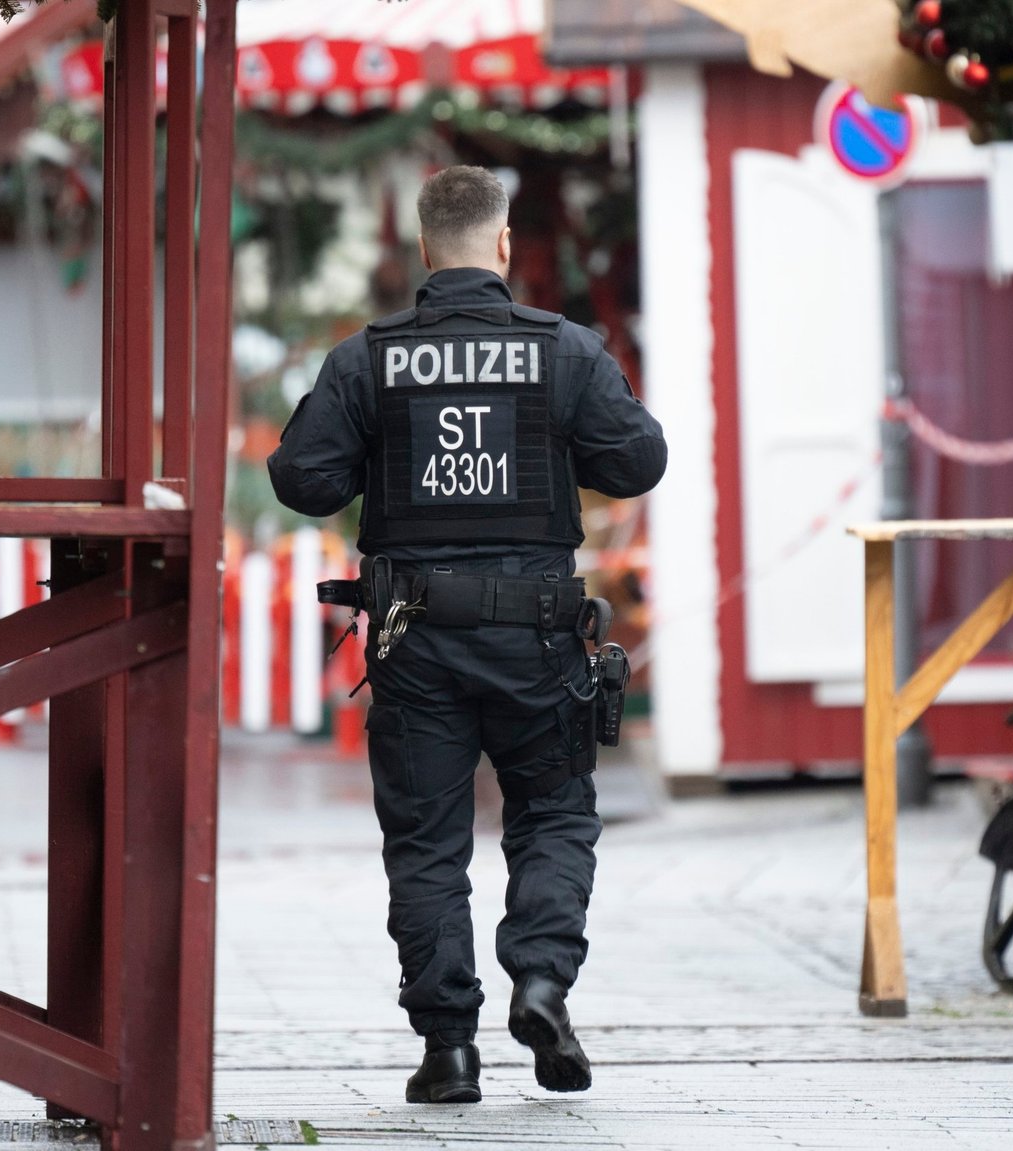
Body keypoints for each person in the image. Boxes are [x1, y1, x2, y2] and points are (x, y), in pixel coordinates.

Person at [267, 166, 667, 1103]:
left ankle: (448, 1048)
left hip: (415, 643)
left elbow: (302, 481)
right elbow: (639, 459)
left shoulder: (366, 359)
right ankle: (541, 979)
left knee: (427, 842)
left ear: (420, 248)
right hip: (538, 637)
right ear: (502, 245)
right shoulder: (563, 351)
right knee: (555, 816)